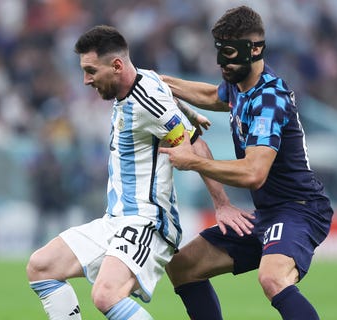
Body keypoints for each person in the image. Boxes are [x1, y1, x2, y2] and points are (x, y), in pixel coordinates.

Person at [25, 25, 253, 320]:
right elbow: (159, 88)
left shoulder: (145, 103)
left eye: (91, 70)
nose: (86, 80)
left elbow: (195, 146)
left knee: (106, 295)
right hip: (115, 220)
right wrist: (188, 111)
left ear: (117, 65)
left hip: (147, 222)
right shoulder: (143, 80)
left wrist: (222, 204)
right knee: (41, 266)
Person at [158, 6, 334, 320]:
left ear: (254, 49)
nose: (223, 62)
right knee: (184, 266)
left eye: (230, 52)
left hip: (299, 209)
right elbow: (214, 96)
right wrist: (159, 82)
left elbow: (254, 173)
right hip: (268, 213)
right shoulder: (240, 86)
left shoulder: (269, 98)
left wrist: (193, 162)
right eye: (220, 52)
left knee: (272, 278)